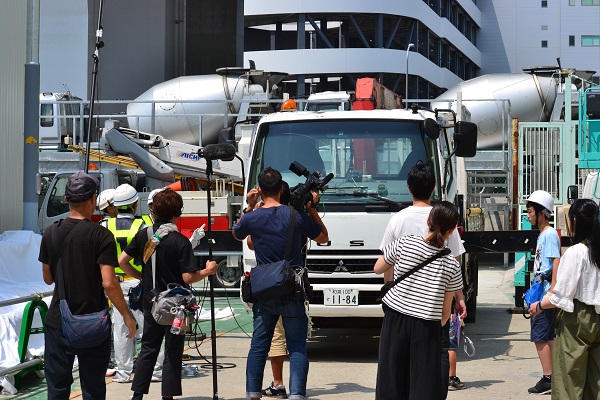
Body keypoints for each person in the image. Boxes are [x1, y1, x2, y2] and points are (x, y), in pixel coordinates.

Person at [38, 171, 137, 399]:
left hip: (59, 321)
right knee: (93, 388)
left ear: (66, 200)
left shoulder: (50, 232)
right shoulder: (101, 235)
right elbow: (109, 282)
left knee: (57, 388)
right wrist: (127, 316)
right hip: (93, 323)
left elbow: (48, 278)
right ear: (93, 199)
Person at [233, 167, 329, 400]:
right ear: (280, 188)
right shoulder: (295, 216)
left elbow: (237, 232)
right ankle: (297, 394)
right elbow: (323, 238)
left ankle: (253, 393)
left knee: (259, 346)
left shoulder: (253, 217)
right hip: (292, 289)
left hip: (264, 290)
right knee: (297, 346)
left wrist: (248, 205)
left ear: (260, 189)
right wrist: (312, 209)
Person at [118, 188, 217, 400]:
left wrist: (142, 276)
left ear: (153, 210)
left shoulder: (144, 235)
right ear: (178, 213)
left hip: (150, 301)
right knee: (172, 351)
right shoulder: (180, 241)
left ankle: (137, 395)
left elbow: (122, 262)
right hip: (176, 306)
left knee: (148, 349)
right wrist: (208, 271)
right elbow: (188, 278)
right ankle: (168, 396)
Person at [379, 163, 467, 397]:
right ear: (434, 188)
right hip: (430, 312)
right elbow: (455, 264)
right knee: (427, 369)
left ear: (409, 188)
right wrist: (459, 298)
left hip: (398, 310)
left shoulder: (398, 221)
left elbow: (383, 266)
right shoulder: (446, 219)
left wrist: (390, 291)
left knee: (393, 372)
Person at [529, 199, 600, 399]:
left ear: (575, 221)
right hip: (598, 317)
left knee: (569, 380)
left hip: (577, 319)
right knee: (595, 382)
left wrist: (539, 306)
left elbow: (561, 295)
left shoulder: (576, 252)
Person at [105, 184, 164, 383]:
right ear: (134, 204)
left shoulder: (104, 226)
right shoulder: (145, 225)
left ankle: (122, 373)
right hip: (139, 282)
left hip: (114, 284)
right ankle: (155, 371)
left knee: (121, 329)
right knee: (150, 327)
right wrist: (141, 276)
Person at [525, 190, 561, 395]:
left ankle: (548, 378)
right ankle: (553, 376)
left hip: (545, 294)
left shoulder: (548, 235)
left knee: (539, 336)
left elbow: (556, 261)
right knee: (547, 336)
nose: (527, 215)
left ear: (541, 213)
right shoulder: (544, 235)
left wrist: (552, 292)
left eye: (530, 211)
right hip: (542, 292)